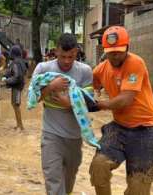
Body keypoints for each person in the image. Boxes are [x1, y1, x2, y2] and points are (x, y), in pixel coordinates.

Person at [89, 26, 153, 195]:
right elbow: (88, 85)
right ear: (105, 51)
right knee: (99, 166)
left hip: (145, 131)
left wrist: (98, 104)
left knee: (139, 188)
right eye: (111, 52)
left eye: (119, 51)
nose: (115, 56)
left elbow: (125, 100)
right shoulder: (101, 69)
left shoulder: (135, 63)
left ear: (127, 47)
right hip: (119, 128)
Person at [31, 33, 93, 195]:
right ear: (56, 51)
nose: (66, 61)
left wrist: (70, 103)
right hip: (51, 135)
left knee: (69, 179)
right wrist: (51, 86)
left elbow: (89, 102)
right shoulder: (44, 69)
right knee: (53, 180)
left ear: (77, 52)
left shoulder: (85, 71)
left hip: (74, 137)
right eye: (63, 56)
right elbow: (34, 98)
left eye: (71, 57)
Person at [2, 45, 27, 131]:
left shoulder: (16, 63)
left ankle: (20, 126)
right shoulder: (20, 61)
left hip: (17, 86)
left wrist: (7, 80)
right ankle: (19, 124)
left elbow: (17, 76)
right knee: (15, 104)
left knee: (16, 105)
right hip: (18, 85)